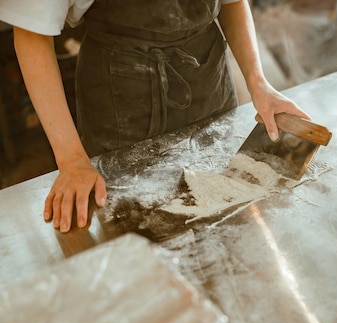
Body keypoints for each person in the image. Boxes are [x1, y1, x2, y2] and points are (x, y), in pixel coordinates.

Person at [0, 0, 308, 233]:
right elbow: (32, 36)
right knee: (138, 231)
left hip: (207, 79)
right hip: (123, 99)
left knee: (224, 220)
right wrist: (71, 161)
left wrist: (259, 84)